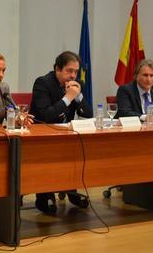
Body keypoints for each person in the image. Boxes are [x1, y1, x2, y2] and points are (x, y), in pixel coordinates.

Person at [30, 51, 93, 213]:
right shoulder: (43, 83)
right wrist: (68, 98)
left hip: (65, 134)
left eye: (75, 72)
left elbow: (88, 114)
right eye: (69, 71)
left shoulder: (75, 84)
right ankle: (44, 196)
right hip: (41, 135)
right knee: (50, 156)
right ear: (58, 69)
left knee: (76, 150)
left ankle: (71, 191)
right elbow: (46, 115)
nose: (73, 76)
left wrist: (78, 97)